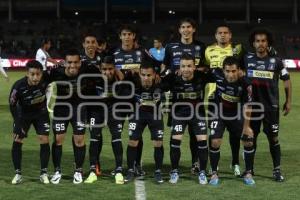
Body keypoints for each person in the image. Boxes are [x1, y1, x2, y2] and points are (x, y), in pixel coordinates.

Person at [244, 28, 292, 182]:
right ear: (253, 43)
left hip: (271, 107)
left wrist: (288, 101)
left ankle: (277, 170)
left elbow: (287, 81)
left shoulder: (276, 61)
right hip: (252, 107)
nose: (260, 44)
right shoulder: (246, 59)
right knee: (251, 138)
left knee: (273, 138)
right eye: (257, 41)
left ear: (268, 43)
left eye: (263, 41)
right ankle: (249, 170)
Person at [161, 18, 206, 174]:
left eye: (189, 27)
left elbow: (205, 67)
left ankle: (195, 163)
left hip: (195, 93)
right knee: (176, 130)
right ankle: (174, 166)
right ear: (179, 30)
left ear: (193, 30)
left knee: (196, 132)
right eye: (183, 27)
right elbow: (164, 66)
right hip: (177, 94)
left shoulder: (200, 46)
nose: (186, 30)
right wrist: (170, 75)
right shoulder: (171, 46)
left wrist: (194, 71)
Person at [161, 53, 209, 185]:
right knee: (175, 141)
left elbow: (219, 77)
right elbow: (159, 85)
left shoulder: (202, 77)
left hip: (197, 114)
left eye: (189, 66)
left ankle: (202, 172)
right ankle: (175, 171)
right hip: (179, 115)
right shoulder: (172, 78)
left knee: (202, 141)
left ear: (194, 67)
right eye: (183, 66)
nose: (186, 69)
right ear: (179, 68)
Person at [206, 56, 255, 185]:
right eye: (227, 71)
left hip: (236, 115)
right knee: (215, 141)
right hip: (219, 114)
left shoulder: (245, 83)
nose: (230, 74)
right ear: (223, 70)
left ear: (239, 70)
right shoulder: (216, 74)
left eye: (233, 71)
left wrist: (246, 127)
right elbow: (201, 71)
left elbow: (248, 106)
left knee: (248, 139)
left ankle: (248, 172)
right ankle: (214, 173)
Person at [204, 25, 245, 176]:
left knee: (235, 137)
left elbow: (245, 68)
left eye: (225, 33)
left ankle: (235, 163)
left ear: (230, 35)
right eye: (220, 33)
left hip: (235, 99)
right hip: (215, 98)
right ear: (215, 35)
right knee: (214, 136)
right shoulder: (208, 51)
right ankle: (213, 166)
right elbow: (205, 69)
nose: (222, 35)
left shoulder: (238, 49)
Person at [84, 56, 126, 184]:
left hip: (114, 111)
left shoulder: (121, 79)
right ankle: (92, 171)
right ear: (100, 69)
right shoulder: (94, 78)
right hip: (96, 111)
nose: (107, 72)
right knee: (94, 138)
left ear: (115, 68)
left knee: (116, 137)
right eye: (104, 69)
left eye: (110, 69)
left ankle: (118, 171)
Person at [49, 49, 87, 184]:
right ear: (64, 63)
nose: (72, 65)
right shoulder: (55, 72)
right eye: (69, 62)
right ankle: (57, 171)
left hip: (79, 109)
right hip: (61, 109)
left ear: (80, 62)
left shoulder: (87, 70)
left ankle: (78, 170)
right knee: (58, 139)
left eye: (76, 62)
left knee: (79, 139)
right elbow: (42, 82)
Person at [9, 60, 51, 184]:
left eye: (38, 74)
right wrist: (17, 123)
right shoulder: (18, 86)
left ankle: (43, 173)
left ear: (41, 74)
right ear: (27, 73)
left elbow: (58, 73)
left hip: (41, 114)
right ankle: (18, 174)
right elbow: (12, 105)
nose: (35, 77)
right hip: (23, 116)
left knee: (44, 139)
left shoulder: (45, 80)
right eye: (32, 74)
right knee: (17, 139)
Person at [124, 62, 164, 184]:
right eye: (143, 75)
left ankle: (158, 171)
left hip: (155, 115)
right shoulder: (134, 84)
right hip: (138, 115)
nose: (146, 78)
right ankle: (131, 169)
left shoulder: (160, 85)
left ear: (154, 75)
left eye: (149, 75)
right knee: (132, 141)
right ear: (139, 74)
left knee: (158, 143)